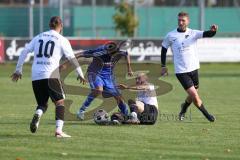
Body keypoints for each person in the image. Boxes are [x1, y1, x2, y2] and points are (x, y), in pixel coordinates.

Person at [11, 16, 86, 138]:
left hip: (36, 75)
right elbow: (72, 58)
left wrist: (18, 70)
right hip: (51, 75)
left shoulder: (39, 37)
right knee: (60, 102)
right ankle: (59, 131)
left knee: (42, 103)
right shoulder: (61, 39)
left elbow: (24, 51)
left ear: (49, 25)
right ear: (61, 26)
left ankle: (38, 114)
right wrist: (80, 74)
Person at [160, 11, 218, 122]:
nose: (180, 22)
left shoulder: (193, 33)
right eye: (179, 20)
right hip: (181, 72)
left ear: (188, 21)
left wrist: (213, 31)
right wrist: (163, 65)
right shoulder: (171, 35)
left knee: (193, 95)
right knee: (195, 96)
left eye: (183, 20)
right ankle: (208, 116)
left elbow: (208, 34)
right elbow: (163, 49)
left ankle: (184, 107)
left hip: (194, 69)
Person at [75, 41, 133, 120]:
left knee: (118, 96)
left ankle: (126, 115)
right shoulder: (100, 51)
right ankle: (81, 111)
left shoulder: (121, 51)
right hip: (95, 72)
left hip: (108, 76)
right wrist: (77, 68)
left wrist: (129, 68)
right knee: (98, 90)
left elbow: (127, 54)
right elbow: (81, 54)